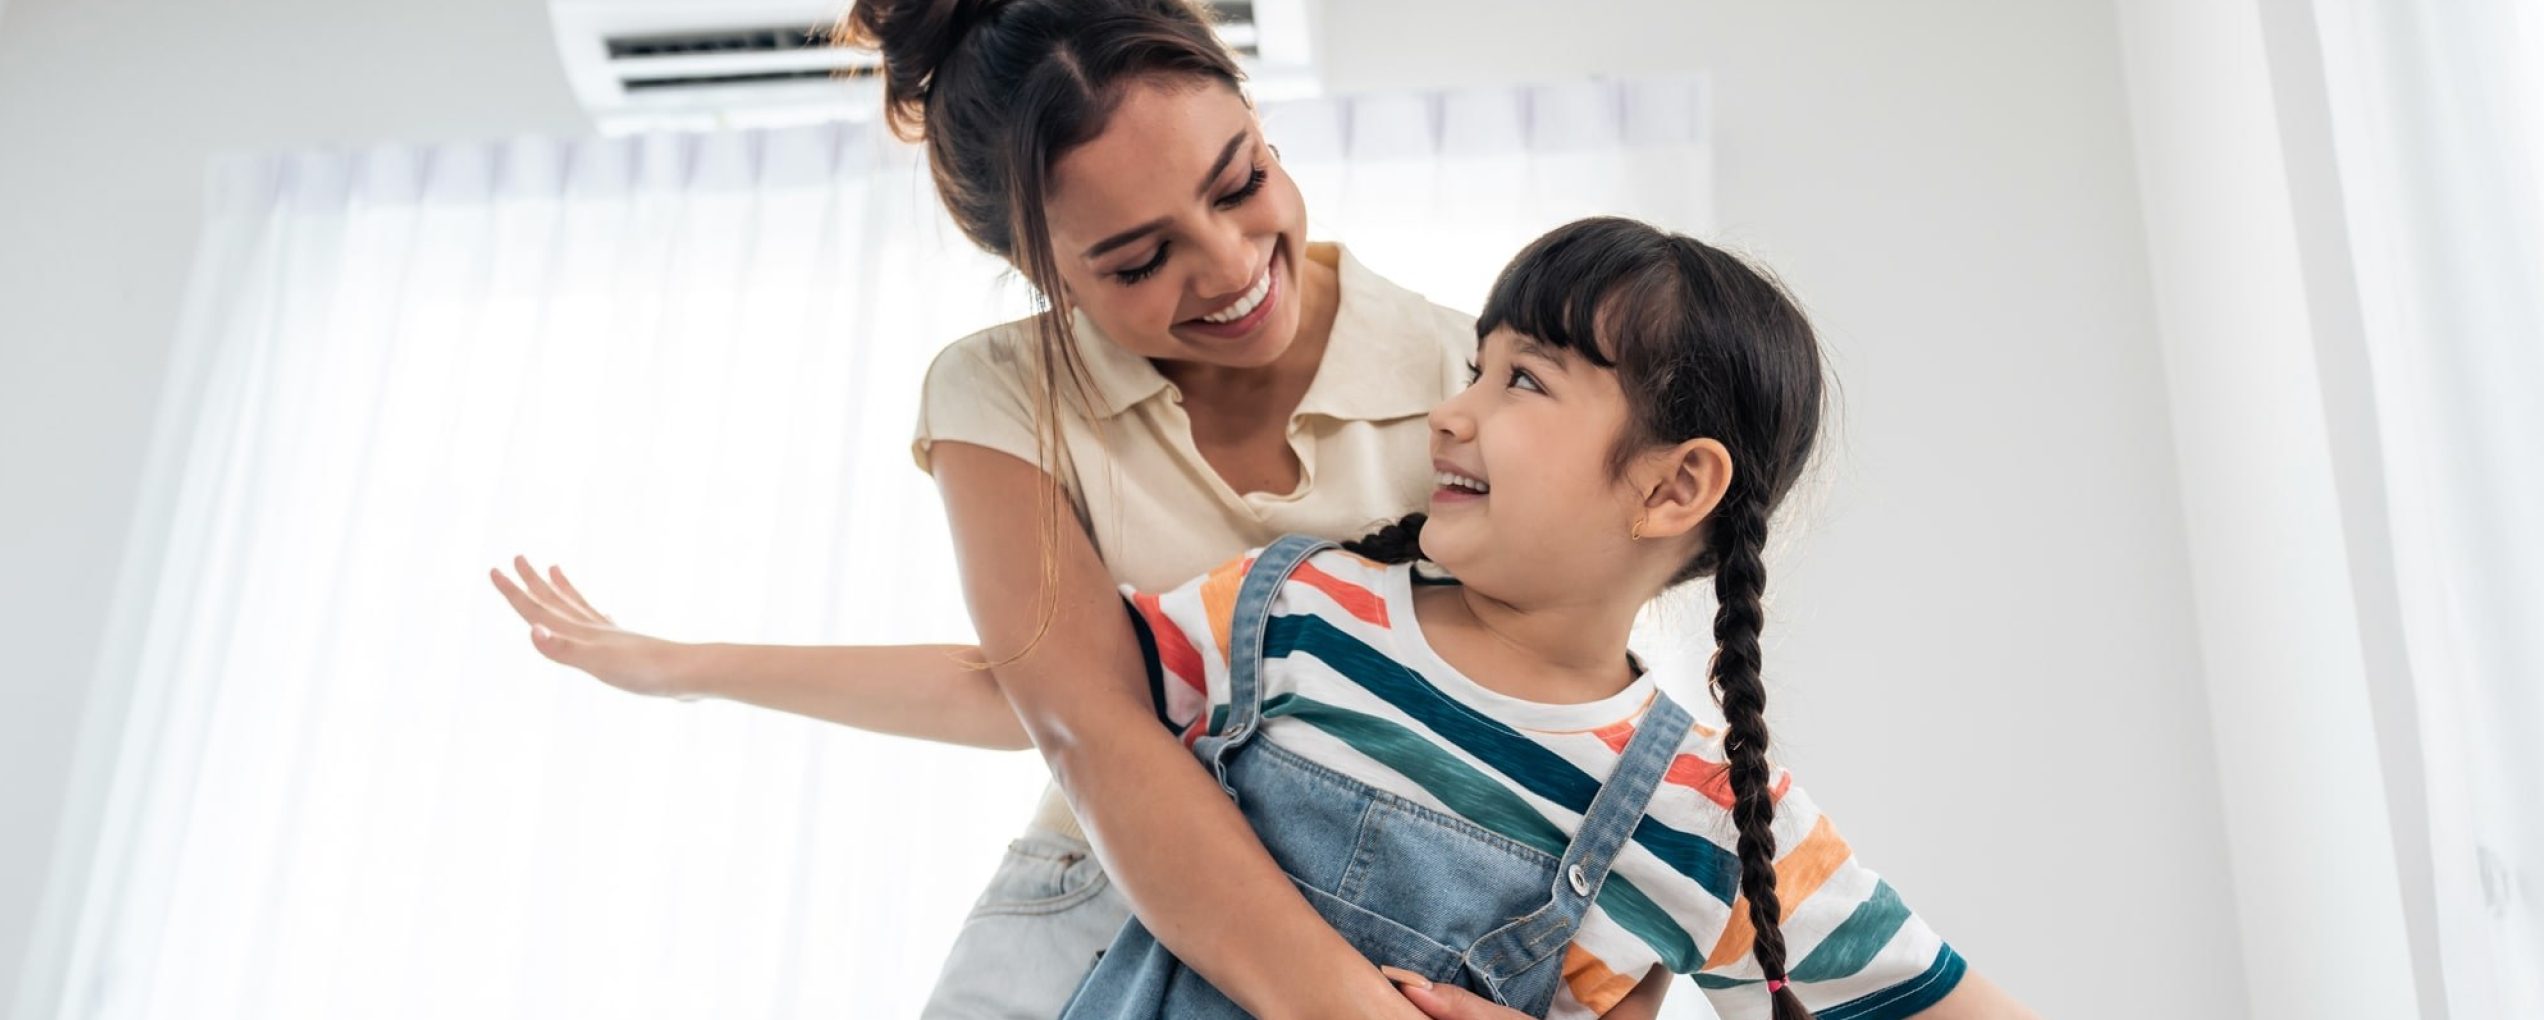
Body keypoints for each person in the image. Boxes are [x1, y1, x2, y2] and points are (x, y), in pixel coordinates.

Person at [488, 4, 2034, 1018]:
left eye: (1242, 183)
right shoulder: (1215, 550)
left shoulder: (1457, 392)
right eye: (1137, 260)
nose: (1227, 271)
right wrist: (683, 666)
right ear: (1048, 281)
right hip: (1110, 924)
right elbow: (1068, 710)